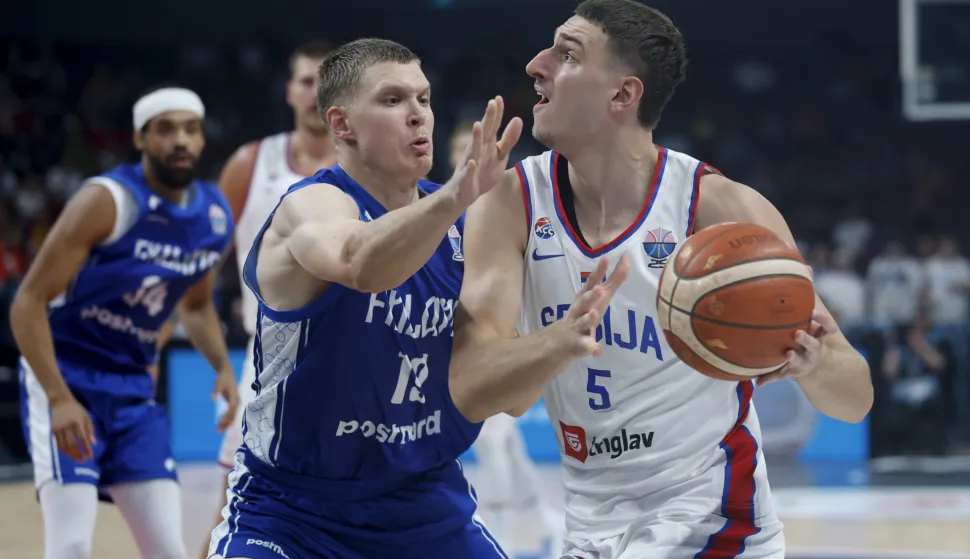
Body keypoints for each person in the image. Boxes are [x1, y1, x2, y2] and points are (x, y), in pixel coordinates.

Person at [449, 1, 875, 558]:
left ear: (623, 95)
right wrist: (557, 343)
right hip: (592, 529)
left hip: (716, 525)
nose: (537, 64)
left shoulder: (720, 210)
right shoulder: (512, 205)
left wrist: (817, 365)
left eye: (567, 54)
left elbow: (855, 398)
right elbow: (476, 392)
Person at [208, 38, 522, 559]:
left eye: (423, 99)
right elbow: (360, 264)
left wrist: (570, 333)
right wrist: (455, 196)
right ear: (342, 124)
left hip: (422, 500)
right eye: (393, 100)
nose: (418, 115)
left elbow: (512, 397)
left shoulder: (467, 223)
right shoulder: (310, 205)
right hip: (294, 510)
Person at [11, 86, 239, 559]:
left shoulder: (214, 216)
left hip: (133, 391)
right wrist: (58, 398)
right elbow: (28, 301)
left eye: (190, 130)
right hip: (68, 377)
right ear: (140, 138)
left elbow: (195, 307)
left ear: (201, 141)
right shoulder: (109, 200)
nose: (180, 140)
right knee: (71, 543)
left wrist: (221, 364)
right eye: (166, 129)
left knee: (169, 550)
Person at [202, 40, 339, 555]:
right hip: (267, 366)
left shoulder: (370, 165)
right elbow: (200, 268)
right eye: (306, 81)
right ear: (289, 91)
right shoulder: (249, 164)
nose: (314, 93)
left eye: (325, 81)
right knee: (232, 514)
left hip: (350, 361)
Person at [448, 120, 564, 557]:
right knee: (506, 444)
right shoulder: (442, 207)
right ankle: (542, 520)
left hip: (500, 336)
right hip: (452, 339)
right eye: (464, 149)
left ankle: (496, 532)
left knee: (494, 440)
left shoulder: (516, 207)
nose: (471, 156)